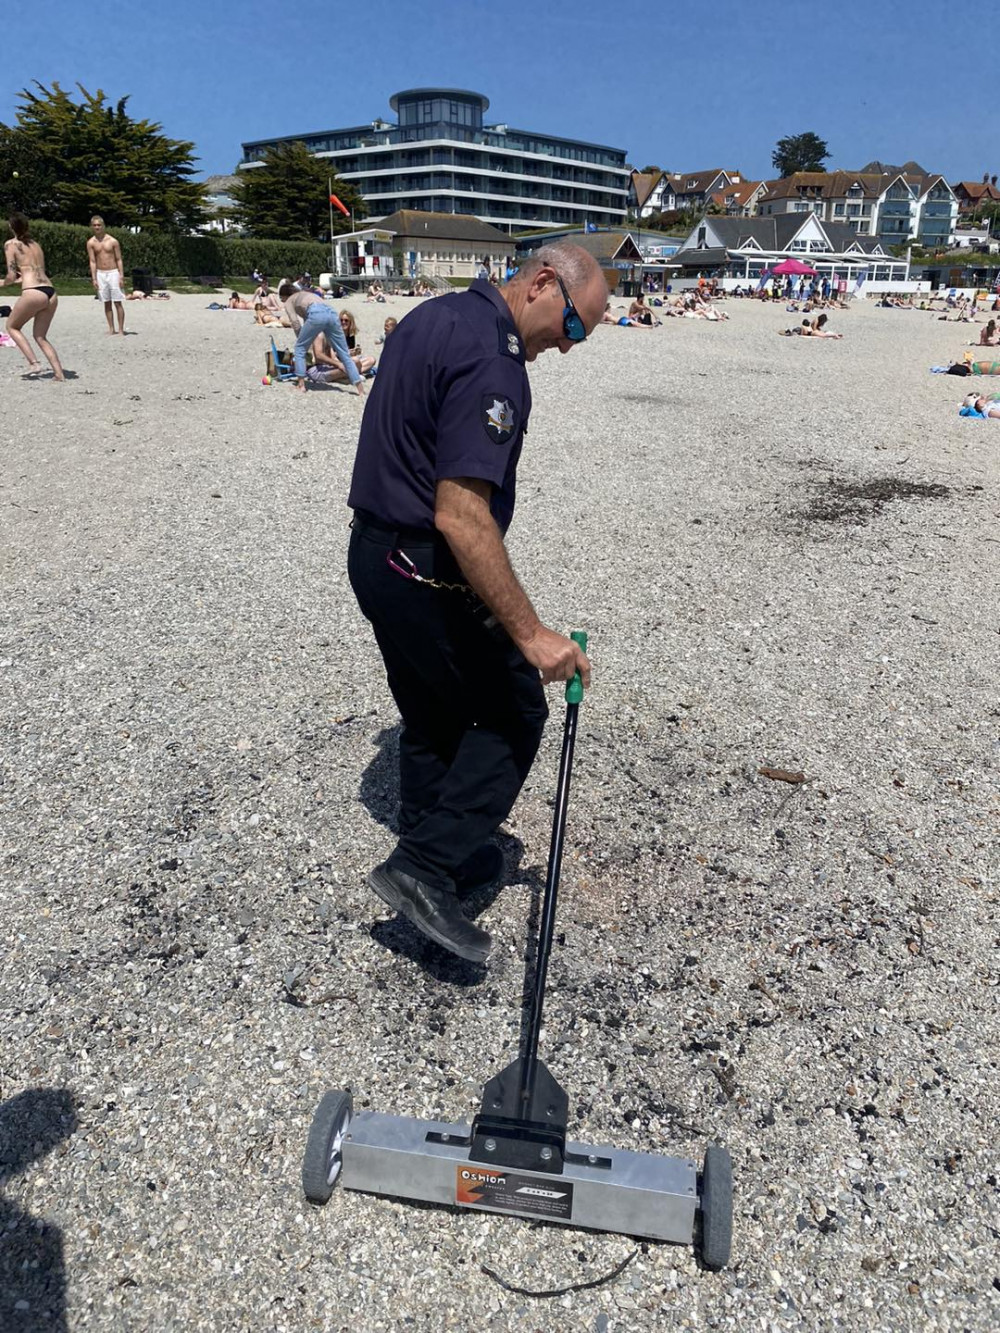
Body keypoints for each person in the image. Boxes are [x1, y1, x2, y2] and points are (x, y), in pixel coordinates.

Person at [346, 241, 605, 964]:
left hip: (372, 552)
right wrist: (531, 633)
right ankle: (422, 868)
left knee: (431, 712)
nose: (569, 344)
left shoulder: (436, 315)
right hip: (423, 565)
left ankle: (441, 851)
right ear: (544, 282)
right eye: (575, 325)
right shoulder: (497, 363)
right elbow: (461, 514)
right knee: (515, 708)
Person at [3, 214, 66, 380]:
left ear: (11, 226)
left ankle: (33, 363)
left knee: (12, 326)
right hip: (50, 290)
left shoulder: (10, 244)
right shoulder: (35, 245)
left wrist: (3, 283)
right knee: (40, 336)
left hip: (33, 291)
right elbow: (35, 270)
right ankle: (59, 373)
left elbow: (11, 274)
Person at [279, 281, 365, 396]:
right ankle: (360, 390)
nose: (282, 301)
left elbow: (295, 322)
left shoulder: (290, 301)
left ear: (285, 295)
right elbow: (307, 318)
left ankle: (301, 385)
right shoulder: (306, 294)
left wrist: (301, 339)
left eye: (281, 298)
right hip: (332, 313)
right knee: (344, 354)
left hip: (316, 314)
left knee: (299, 349)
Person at [86, 216, 126, 335]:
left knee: (118, 301)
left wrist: (121, 275)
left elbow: (119, 259)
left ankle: (120, 329)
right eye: (95, 225)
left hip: (113, 272)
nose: (97, 227)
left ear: (103, 226)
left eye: (99, 225)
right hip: (100, 273)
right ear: (92, 227)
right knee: (106, 302)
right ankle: (111, 328)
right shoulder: (91, 243)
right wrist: (94, 278)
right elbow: (92, 261)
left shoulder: (113, 241)